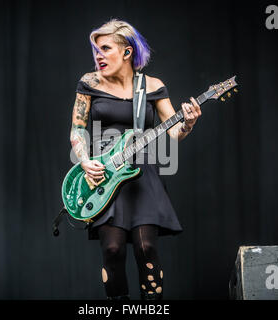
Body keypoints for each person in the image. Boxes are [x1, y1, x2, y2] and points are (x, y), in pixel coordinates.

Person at [69, 19, 201, 300]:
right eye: (95, 49)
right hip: (104, 174)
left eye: (105, 48)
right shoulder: (89, 82)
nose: (98, 56)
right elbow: (78, 129)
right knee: (113, 250)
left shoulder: (152, 86)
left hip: (142, 175)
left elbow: (173, 132)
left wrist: (187, 123)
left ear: (127, 52)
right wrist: (83, 160)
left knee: (146, 249)